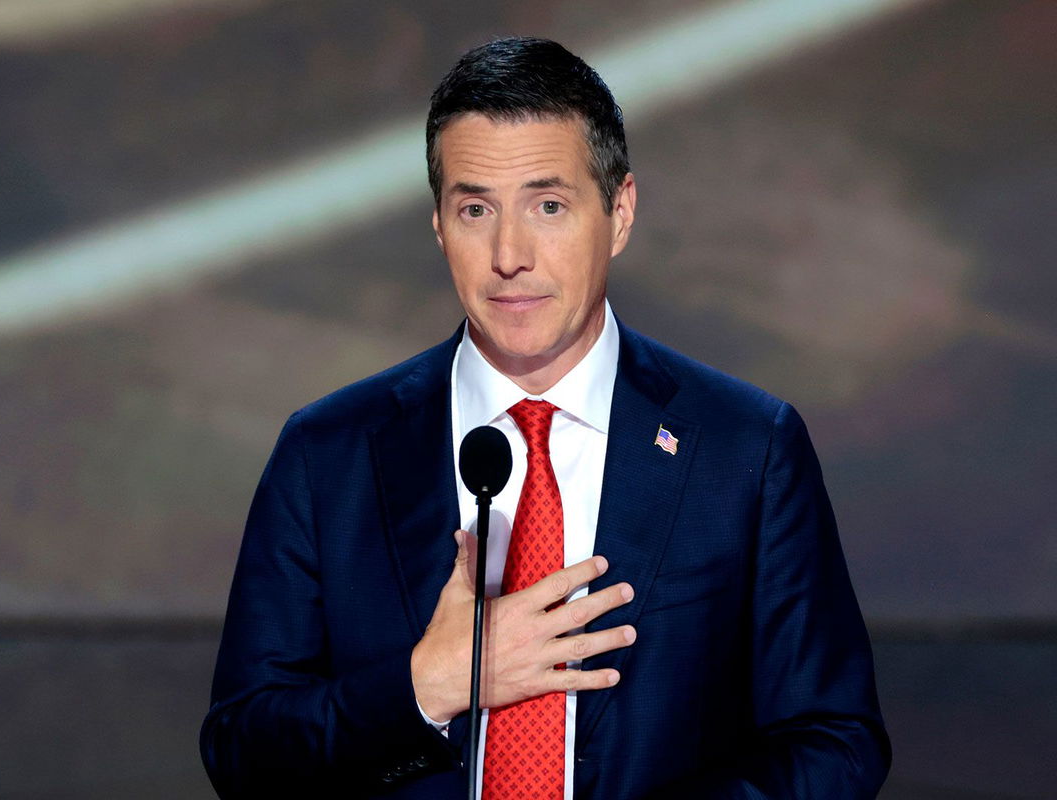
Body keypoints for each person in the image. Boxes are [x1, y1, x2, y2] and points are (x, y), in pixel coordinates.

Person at [200, 37, 890, 799]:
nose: (508, 254)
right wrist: (424, 688)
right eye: (474, 209)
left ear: (619, 213)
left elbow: (835, 744)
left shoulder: (745, 448)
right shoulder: (328, 454)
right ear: (438, 225)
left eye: (549, 205)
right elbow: (242, 752)